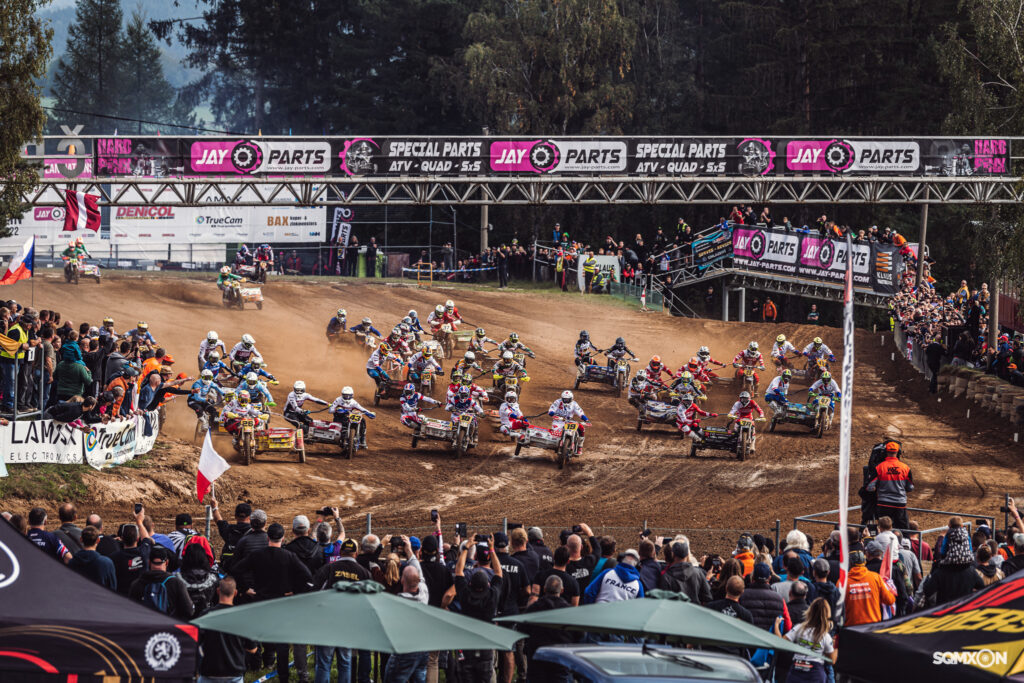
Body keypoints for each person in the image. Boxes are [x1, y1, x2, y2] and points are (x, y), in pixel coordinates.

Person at [231, 522, 313, 683]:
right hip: (280, 603)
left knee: (254, 635)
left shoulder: (257, 555)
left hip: (260, 601)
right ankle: (283, 677)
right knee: (281, 643)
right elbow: (308, 577)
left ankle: (252, 667)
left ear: (267, 537)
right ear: (283, 538)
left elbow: (236, 570)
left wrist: (245, 588)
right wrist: (295, 591)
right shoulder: (289, 556)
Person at [310, 538, 371, 683]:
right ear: (356, 554)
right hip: (349, 624)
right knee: (345, 662)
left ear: (341, 552)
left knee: (324, 663)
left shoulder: (328, 569)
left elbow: (313, 593)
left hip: (327, 622)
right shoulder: (364, 573)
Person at [454, 535, 504, 683]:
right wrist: (492, 549)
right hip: (485, 646)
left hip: (467, 645)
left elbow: (459, 572)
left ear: (470, 584)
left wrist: (465, 548)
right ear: (488, 585)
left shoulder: (465, 595)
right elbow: (498, 573)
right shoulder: (492, 595)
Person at [198, 577, 258, 683]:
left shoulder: (205, 615)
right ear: (235, 593)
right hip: (234, 672)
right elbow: (253, 649)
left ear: (218, 591)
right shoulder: (244, 617)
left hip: (209, 672)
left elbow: (196, 642)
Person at [773, 597, 836, 683]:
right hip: (815, 675)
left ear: (810, 611)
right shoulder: (825, 636)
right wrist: (835, 646)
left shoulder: (799, 628)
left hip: (796, 671)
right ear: (827, 615)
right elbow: (832, 661)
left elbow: (780, 643)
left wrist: (776, 625)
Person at [129, 546, 194, 618]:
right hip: (167, 624)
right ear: (167, 562)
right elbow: (189, 611)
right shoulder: (176, 583)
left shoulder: (137, 583)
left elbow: (130, 610)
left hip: (144, 623)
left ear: (149, 562)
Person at [865, 441, 914, 530]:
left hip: (884, 504)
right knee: (903, 530)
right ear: (898, 452)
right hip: (900, 503)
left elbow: (870, 488)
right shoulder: (905, 468)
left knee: (884, 529)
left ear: (885, 452)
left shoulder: (879, 467)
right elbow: (910, 488)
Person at [843, 550, 895, 626]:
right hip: (873, 627)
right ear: (864, 562)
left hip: (852, 628)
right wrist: (889, 589)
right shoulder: (875, 578)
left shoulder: (842, 582)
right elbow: (890, 600)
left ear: (849, 564)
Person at [740, 562, 792, 631]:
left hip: (747, 635)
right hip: (771, 637)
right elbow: (788, 625)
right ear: (769, 578)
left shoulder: (742, 595)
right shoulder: (779, 599)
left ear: (753, 577)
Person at [68, 525, 117, 590]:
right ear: (98, 540)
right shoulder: (106, 563)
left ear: (81, 539)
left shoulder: (71, 563)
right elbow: (113, 588)